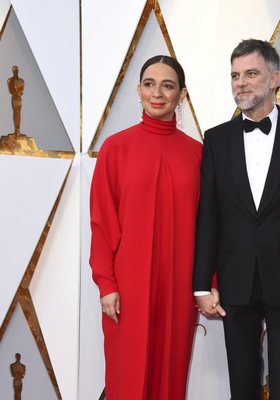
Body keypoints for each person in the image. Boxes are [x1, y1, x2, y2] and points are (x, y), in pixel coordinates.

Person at [193, 39, 280, 400]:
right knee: (241, 383)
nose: (240, 83)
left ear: (273, 79)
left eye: (250, 74)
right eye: (235, 75)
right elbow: (208, 216)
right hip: (235, 277)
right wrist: (201, 285)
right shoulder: (216, 139)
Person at [90, 55, 202, 399]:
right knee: (128, 375)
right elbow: (102, 222)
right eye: (150, 84)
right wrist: (106, 284)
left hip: (179, 288)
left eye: (168, 86)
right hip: (127, 288)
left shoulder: (198, 154)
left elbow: (209, 225)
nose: (158, 93)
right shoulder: (115, 148)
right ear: (138, 90)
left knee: (170, 374)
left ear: (181, 94)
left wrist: (207, 284)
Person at [7, 66, 24, 135]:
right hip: (14, 98)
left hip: (19, 98)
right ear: (12, 71)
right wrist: (17, 92)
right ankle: (16, 130)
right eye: (14, 70)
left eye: (16, 70)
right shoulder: (9, 80)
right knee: (15, 113)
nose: (15, 71)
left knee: (18, 113)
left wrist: (18, 92)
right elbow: (10, 91)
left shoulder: (22, 81)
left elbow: (22, 92)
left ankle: (18, 130)